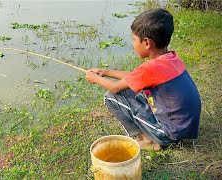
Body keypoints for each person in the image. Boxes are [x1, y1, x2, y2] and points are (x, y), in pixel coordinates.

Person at [85, 8, 201, 151]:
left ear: (147, 43)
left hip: (170, 133)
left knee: (111, 97)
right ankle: (154, 135)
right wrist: (105, 71)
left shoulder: (151, 68)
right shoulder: (170, 58)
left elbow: (115, 88)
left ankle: (148, 140)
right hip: (186, 127)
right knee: (137, 92)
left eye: (134, 40)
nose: (133, 44)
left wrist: (95, 78)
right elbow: (135, 77)